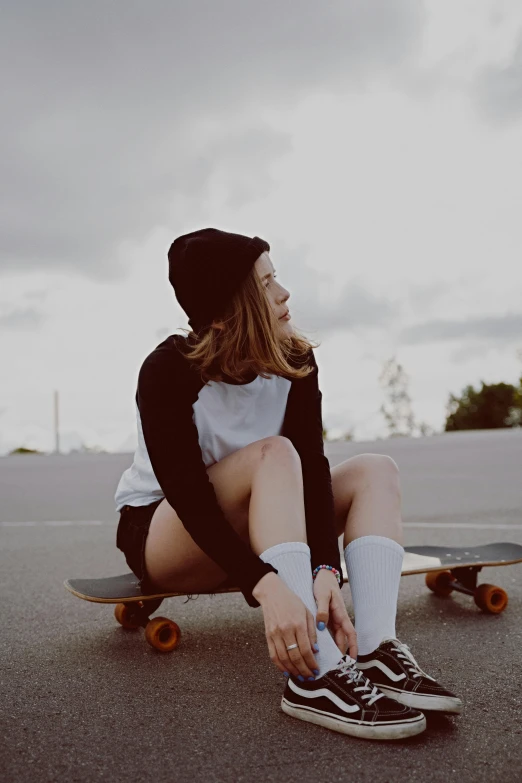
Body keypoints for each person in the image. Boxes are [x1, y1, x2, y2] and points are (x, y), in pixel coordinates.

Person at [114, 227, 462, 741]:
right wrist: (264, 585)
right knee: (275, 455)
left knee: (374, 469)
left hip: (264, 520)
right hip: (169, 536)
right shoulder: (167, 372)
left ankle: (376, 649)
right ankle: (313, 674)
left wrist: (326, 566)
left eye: (277, 278)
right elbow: (191, 500)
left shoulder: (295, 358)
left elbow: (315, 470)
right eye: (265, 285)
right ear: (222, 311)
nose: (283, 294)